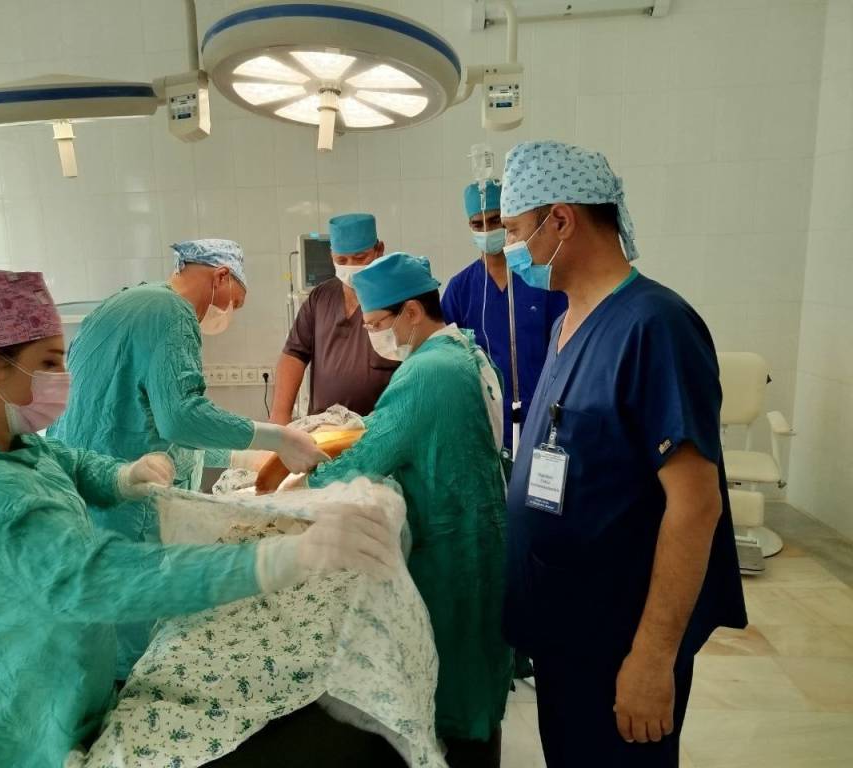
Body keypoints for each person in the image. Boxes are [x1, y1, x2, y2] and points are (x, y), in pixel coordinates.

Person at [0, 269, 397, 768]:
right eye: (47, 362)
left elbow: (67, 460)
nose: (63, 378)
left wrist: (120, 476)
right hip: (8, 730)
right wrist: (282, 557)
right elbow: (104, 578)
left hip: (62, 694)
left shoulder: (7, 443)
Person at [499, 142, 747, 768]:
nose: (509, 249)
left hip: (620, 641)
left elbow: (696, 506)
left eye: (515, 231)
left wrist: (653, 659)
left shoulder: (655, 326)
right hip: (565, 629)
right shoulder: (567, 322)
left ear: (560, 220)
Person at [48, 239, 328, 679]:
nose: (228, 314)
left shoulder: (123, 303)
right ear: (221, 277)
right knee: (130, 635)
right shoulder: (173, 313)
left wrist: (239, 456)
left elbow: (143, 417)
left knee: (95, 621)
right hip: (126, 497)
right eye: (235, 302)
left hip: (83, 482)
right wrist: (276, 437)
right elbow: (180, 416)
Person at [299, 253, 512, 768]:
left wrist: (306, 481)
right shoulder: (463, 350)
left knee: (456, 679)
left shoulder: (428, 372)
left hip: (451, 545)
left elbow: (373, 452)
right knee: (477, 672)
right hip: (477, 533)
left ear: (411, 312)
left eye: (377, 325)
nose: (375, 337)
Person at [442, 179, 566, 456]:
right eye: (478, 224)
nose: (487, 230)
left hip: (541, 415)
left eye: (495, 220)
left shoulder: (539, 279)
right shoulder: (461, 289)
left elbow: (566, 349)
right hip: (483, 421)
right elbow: (446, 360)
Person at [270, 214, 398, 424]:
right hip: (324, 429)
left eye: (360, 258)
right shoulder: (321, 297)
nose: (350, 267)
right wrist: (279, 419)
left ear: (379, 250)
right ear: (331, 256)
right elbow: (293, 354)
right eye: (342, 260)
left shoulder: (397, 298)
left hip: (380, 429)